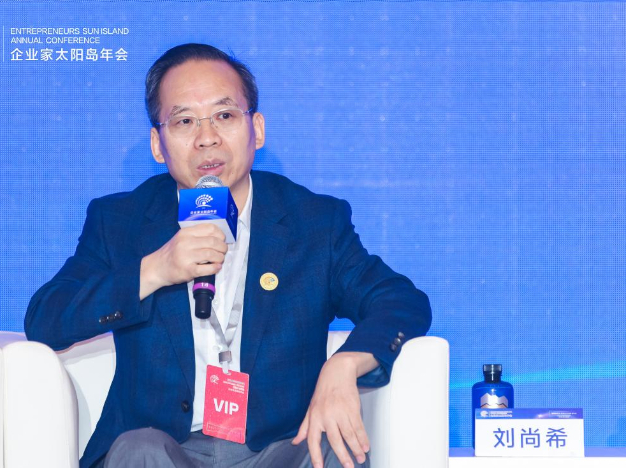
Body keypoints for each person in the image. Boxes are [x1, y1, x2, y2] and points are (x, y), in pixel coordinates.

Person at [25, 43, 431, 468]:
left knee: (332, 446)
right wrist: (155, 269)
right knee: (139, 449)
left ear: (257, 128)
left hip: (278, 448)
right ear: (158, 144)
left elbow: (400, 300)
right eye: (184, 121)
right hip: (165, 449)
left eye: (224, 115)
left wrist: (344, 364)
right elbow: (45, 318)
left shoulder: (314, 222)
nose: (207, 138)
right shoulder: (120, 221)